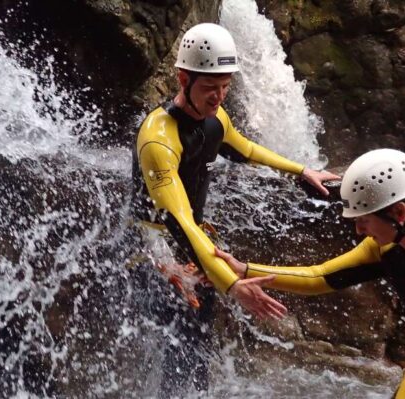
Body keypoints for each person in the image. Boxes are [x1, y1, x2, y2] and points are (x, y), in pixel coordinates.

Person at [130, 22, 340, 396]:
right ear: (182, 78)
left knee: (198, 329)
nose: (219, 96)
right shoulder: (157, 138)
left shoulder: (215, 119)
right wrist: (233, 284)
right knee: (179, 325)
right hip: (153, 244)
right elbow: (178, 221)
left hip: (190, 237)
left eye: (225, 86)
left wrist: (301, 170)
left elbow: (245, 149)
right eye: (211, 87)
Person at [215, 149, 405, 399]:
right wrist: (244, 270)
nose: (359, 230)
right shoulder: (388, 247)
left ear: (399, 213)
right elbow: (319, 277)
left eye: (363, 220)